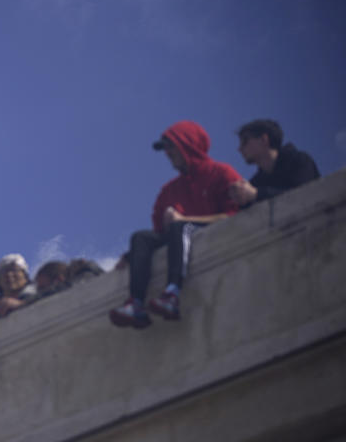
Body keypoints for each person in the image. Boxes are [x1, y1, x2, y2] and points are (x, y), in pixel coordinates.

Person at [110, 120, 242, 328]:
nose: (167, 153)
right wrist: (131, 255)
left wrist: (183, 220)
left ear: (188, 145)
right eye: (166, 148)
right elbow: (158, 232)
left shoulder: (222, 173)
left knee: (179, 227)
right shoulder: (168, 190)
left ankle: (172, 294)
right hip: (177, 234)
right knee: (140, 237)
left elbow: (233, 215)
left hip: (203, 230)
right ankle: (135, 303)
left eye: (171, 146)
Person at [229, 118, 320, 207]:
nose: (239, 149)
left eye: (245, 141)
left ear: (264, 140)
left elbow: (303, 197)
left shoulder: (300, 161)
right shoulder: (256, 183)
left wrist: (256, 194)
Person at [0, 254, 36, 324]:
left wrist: (22, 304)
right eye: (4, 272)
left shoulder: (38, 294)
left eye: (14, 270)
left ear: (25, 276)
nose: (9, 275)